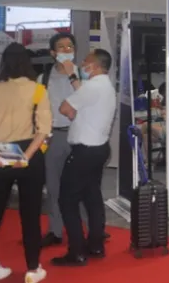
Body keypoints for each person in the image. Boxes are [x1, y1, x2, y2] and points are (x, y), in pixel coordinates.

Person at [0, 43, 51, 283]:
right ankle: (32, 268)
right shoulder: (37, 90)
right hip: (27, 152)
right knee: (30, 213)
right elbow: (43, 130)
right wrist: (25, 157)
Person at [51, 49, 117, 267]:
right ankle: (96, 245)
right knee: (92, 197)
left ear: (95, 66)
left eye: (86, 62)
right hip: (98, 149)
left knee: (67, 200)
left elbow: (65, 108)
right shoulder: (104, 86)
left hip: (84, 152)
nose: (82, 64)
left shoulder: (92, 86)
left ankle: (77, 251)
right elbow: (81, 97)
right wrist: (73, 77)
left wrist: (72, 111)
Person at [39, 32, 79, 248]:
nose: (66, 50)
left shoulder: (82, 75)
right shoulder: (43, 79)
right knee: (53, 186)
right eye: (61, 47)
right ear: (53, 52)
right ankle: (55, 231)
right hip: (53, 136)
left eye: (70, 46)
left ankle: (87, 230)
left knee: (81, 186)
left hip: (79, 135)